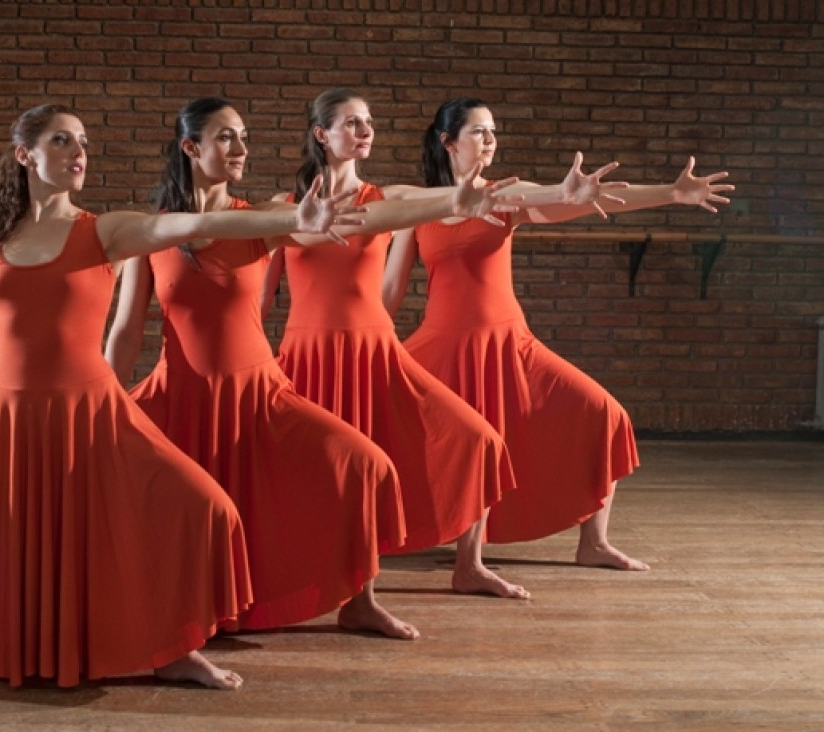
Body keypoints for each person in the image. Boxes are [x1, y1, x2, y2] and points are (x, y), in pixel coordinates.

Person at [0, 103, 363, 690]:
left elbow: (184, 226)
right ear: (24, 155)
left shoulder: (104, 230)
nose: (78, 151)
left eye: (83, 141)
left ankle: (174, 647)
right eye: (62, 141)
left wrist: (292, 218)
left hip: (91, 412)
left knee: (206, 509)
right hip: (1, 413)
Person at [105, 98, 522, 638]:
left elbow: (381, 213)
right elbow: (125, 331)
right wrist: (107, 402)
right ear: (191, 147)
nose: (242, 148)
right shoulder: (149, 234)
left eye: (244, 135)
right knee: (174, 507)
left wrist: (450, 201)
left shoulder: (259, 220)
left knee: (365, 467)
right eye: (226, 137)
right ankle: (181, 617)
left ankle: (359, 600)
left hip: (257, 389)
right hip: (179, 392)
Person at [264, 88, 621, 599]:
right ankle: (301, 573)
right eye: (352, 123)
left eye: (369, 123)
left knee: (473, 443)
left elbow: (460, 200)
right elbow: (256, 291)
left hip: (377, 349)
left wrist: (564, 195)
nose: (365, 131)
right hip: (307, 353)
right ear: (321, 134)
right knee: (315, 469)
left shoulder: (387, 199)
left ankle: (461, 567)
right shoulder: (282, 209)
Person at [383, 96, 734, 570]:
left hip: (510, 344)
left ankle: (594, 543)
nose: (490, 140)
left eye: (493, 131)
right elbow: (389, 290)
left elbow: (577, 198)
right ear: (448, 142)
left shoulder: (506, 194)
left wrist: (670, 193)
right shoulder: (421, 207)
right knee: (401, 434)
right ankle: (396, 539)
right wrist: (371, 345)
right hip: (441, 346)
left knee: (602, 414)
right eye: (479, 132)